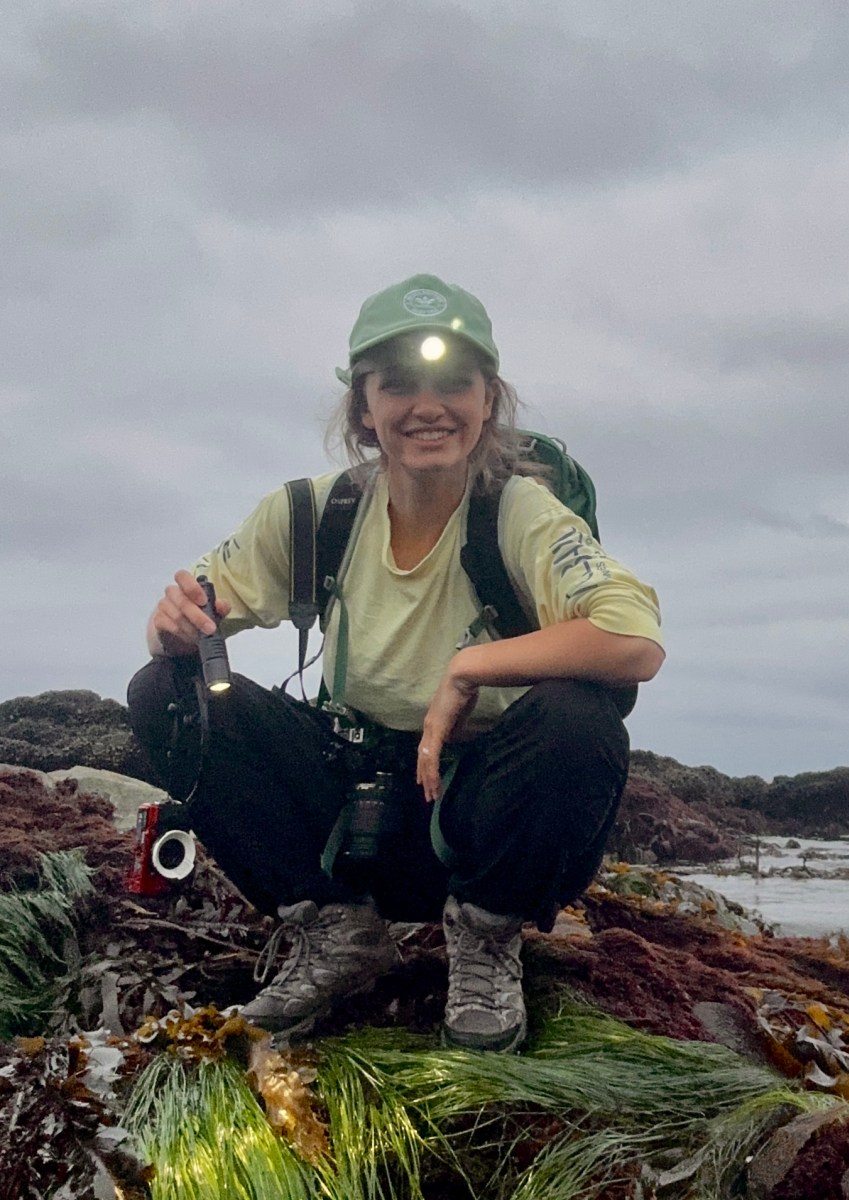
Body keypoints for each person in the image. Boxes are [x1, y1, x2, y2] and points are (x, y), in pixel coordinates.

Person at [127, 274, 664, 1051]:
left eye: (455, 384)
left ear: (489, 401)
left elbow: (633, 642)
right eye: (398, 384)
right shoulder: (313, 515)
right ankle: (335, 932)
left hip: (474, 823)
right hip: (351, 820)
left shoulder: (520, 512)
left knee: (580, 716)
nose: (428, 406)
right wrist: (170, 628)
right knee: (164, 691)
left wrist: (472, 666)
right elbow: (183, 621)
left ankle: (483, 940)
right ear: (364, 408)